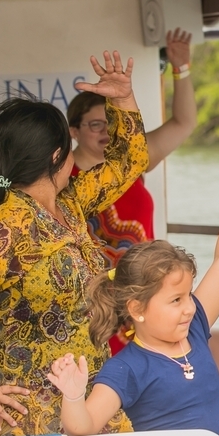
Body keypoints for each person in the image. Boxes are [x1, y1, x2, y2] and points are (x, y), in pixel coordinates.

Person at [0, 50, 148, 436]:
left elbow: (129, 163)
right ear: (58, 156)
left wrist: (123, 99)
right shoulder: (8, 224)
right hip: (28, 412)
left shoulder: (71, 204)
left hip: (87, 398)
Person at [47, 145, 219, 436]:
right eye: (176, 300)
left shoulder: (195, 329)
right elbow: (83, 427)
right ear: (137, 309)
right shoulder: (126, 367)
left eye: (188, 295)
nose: (190, 307)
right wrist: (73, 396)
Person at [67, 28, 197, 266]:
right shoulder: (60, 177)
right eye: (95, 124)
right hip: (92, 288)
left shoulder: (131, 159)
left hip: (146, 282)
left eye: (110, 123)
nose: (106, 131)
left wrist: (181, 68)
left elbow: (184, 122)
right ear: (74, 131)